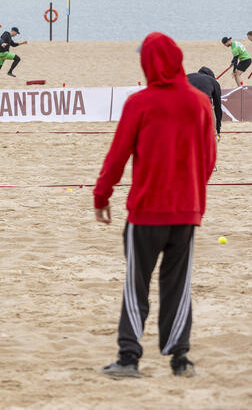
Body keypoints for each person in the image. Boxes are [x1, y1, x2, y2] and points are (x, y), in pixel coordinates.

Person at [94, 32, 216, 379]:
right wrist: (190, 194)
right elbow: (208, 159)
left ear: (149, 63)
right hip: (186, 212)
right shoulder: (197, 102)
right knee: (177, 285)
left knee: (136, 284)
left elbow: (117, 156)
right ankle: (180, 359)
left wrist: (101, 196)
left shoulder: (140, 102)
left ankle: (129, 358)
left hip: (146, 212)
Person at [186, 66, 222, 138]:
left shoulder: (187, 76)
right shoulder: (213, 81)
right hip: (201, 106)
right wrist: (218, 130)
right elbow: (218, 108)